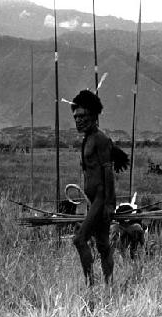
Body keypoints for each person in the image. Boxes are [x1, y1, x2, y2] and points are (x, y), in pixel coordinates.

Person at [71, 90, 116, 286]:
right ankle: (109, 285)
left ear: (94, 115)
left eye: (82, 116)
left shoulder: (100, 139)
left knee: (80, 240)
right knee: (103, 244)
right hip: (92, 201)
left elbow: (108, 172)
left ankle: (91, 285)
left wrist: (108, 204)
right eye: (76, 117)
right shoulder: (86, 140)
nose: (78, 120)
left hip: (100, 199)